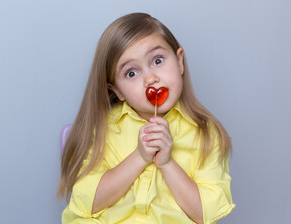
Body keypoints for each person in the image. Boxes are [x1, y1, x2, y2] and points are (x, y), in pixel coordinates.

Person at [57, 13, 235, 224]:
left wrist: (167, 163)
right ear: (117, 90)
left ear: (179, 62)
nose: (150, 79)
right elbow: (86, 202)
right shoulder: (102, 129)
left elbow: (207, 214)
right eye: (131, 73)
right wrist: (140, 157)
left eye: (157, 60)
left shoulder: (206, 135)